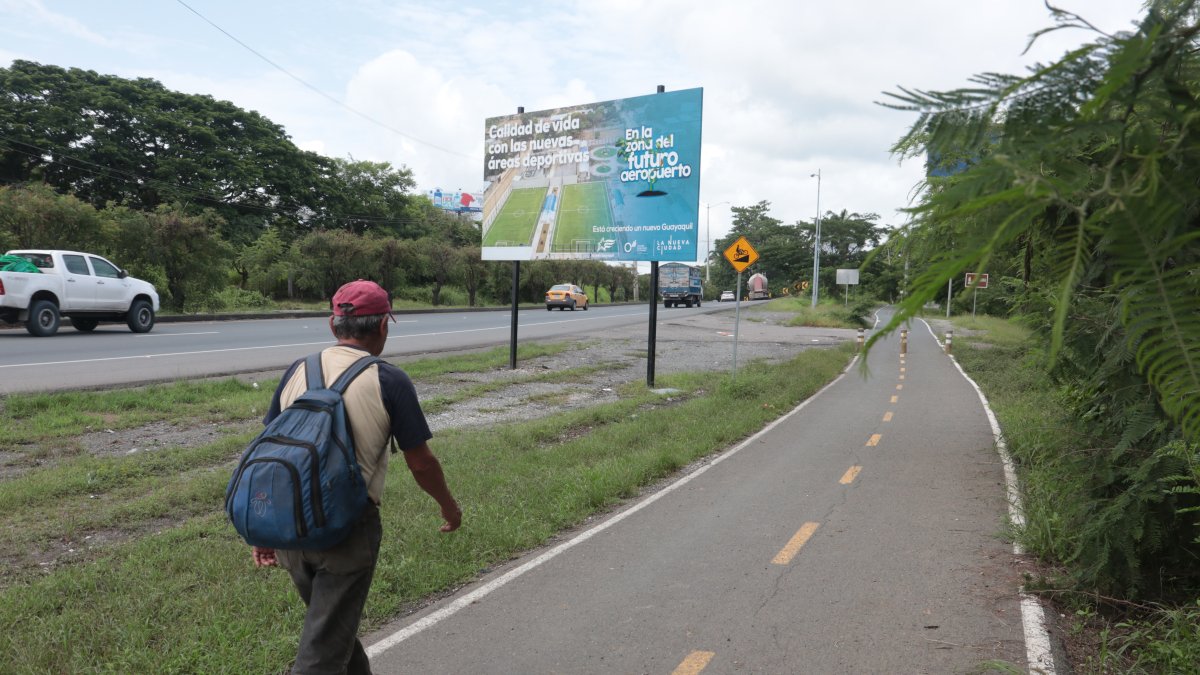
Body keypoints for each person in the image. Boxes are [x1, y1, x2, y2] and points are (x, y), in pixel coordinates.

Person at [251, 279, 461, 674]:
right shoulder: (389, 379)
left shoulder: (298, 370)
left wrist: (264, 531)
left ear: (333, 326)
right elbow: (422, 464)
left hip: (290, 527)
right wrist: (450, 508)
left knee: (332, 631)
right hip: (346, 530)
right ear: (383, 327)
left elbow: (269, 453)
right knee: (322, 653)